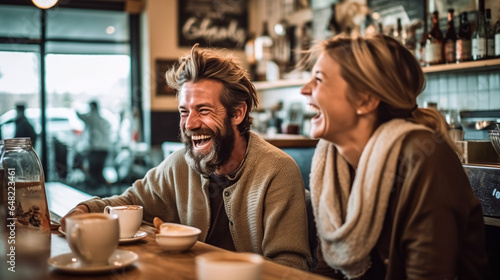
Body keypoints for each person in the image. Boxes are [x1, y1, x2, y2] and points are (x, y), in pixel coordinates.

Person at [61, 44, 313, 270]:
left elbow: (290, 267)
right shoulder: (180, 164)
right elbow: (130, 202)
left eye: (203, 110)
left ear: (237, 113)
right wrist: (86, 209)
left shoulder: (277, 170)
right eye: (184, 111)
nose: (190, 124)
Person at [300, 34, 490, 279]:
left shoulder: (423, 158)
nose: (304, 90)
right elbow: (328, 270)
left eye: (319, 79)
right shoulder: (331, 163)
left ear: (365, 99)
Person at [76, 100, 112, 187]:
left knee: (92, 171)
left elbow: (80, 116)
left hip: (95, 149)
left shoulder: (91, 118)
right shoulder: (104, 119)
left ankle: (94, 189)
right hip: (105, 149)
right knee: (99, 171)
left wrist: (75, 107)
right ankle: (103, 189)